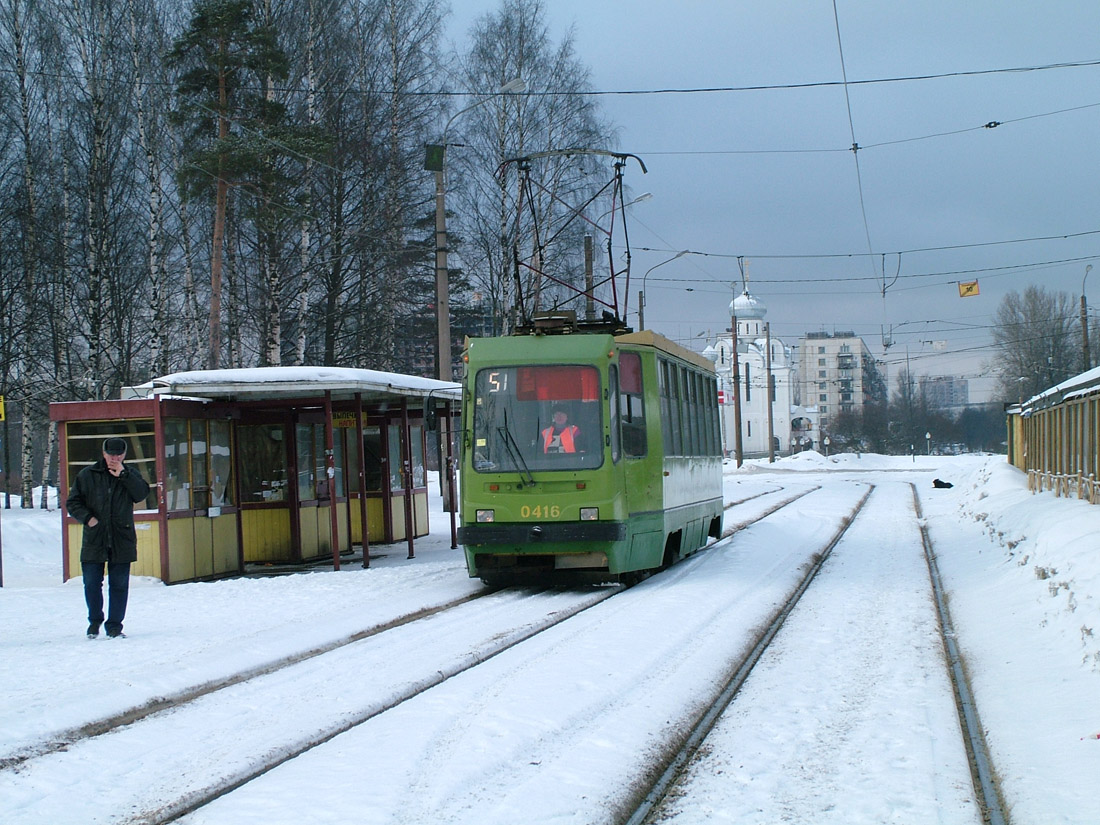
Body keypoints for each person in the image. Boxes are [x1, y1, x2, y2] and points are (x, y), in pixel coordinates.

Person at [66, 437, 150, 639]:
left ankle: (114, 626)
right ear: (103, 454)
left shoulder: (130, 475)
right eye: (111, 454)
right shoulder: (88, 475)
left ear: (124, 455)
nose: (115, 458)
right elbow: (73, 502)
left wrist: (124, 475)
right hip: (95, 538)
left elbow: (141, 494)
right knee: (92, 583)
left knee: (120, 584)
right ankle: (94, 622)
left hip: (122, 537)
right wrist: (88, 519)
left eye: (119, 454)